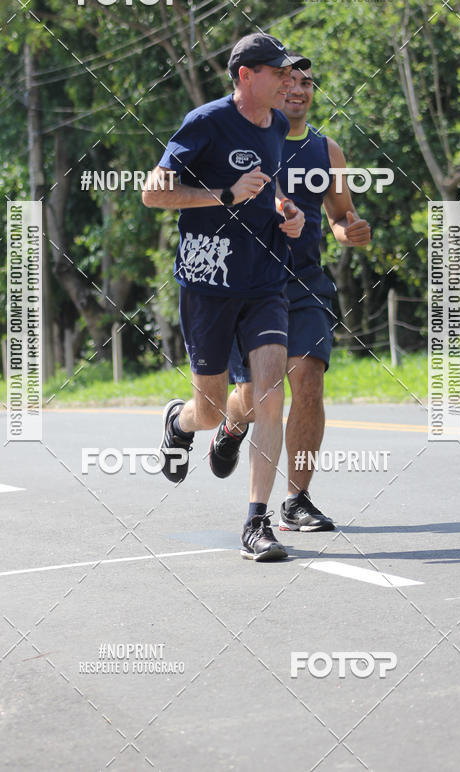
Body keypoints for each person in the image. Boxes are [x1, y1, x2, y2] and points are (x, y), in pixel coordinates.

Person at [143, 32, 309, 561]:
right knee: (211, 408)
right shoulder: (205, 123)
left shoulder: (278, 124)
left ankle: (257, 523)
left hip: (263, 280)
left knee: (270, 394)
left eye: (290, 73)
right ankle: (181, 422)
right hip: (207, 279)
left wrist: (287, 209)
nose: (288, 80)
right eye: (278, 72)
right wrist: (224, 195)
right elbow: (153, 192)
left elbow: (271, 185)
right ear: (245, 76)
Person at [218, 63, 372, 531]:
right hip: (249, 284)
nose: (299, 90)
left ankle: (297, 499)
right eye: (290, 81)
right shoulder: (243, 142)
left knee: (308, 383)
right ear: (272, 86)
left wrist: (351, 231)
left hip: (305, 284)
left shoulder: (327, 150)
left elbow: (341, 215)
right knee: (257, 395)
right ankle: (229, 424)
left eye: (307, 83)